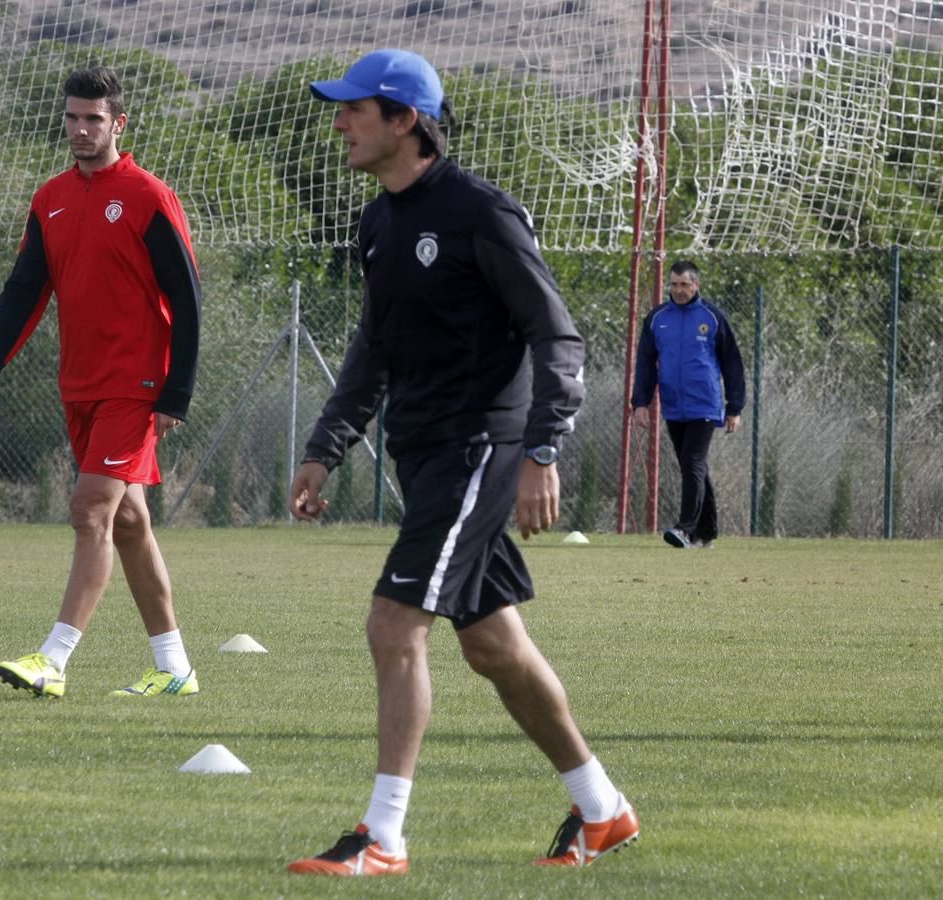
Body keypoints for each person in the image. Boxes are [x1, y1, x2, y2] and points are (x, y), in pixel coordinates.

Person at [285, 49, 638, 877]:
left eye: (354, 109)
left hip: (482, 448)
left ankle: (382, 837)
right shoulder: (378, 222)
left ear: (405, 121)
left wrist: (543, 449)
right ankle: (602, 810)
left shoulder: (480, 212)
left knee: (392, 624)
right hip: (425, 455)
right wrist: (323, 449)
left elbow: (558, 334)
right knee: (493, 648)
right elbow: (372, 350)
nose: (339, 123)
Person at [0, 66, 202, 699]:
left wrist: (175, 393)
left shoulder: (150, 195)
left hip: (138, 383)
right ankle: (175, 667)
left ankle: (54, 659)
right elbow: (26, 286)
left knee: (89, 509)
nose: (80, 128)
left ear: (117, 123)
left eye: (93, 119)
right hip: (79, 383)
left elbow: (186, 296)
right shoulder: (50, 198)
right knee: (128, 522)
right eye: (72, 117)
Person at [631, 261, 745, 549]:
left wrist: (735, 407)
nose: (678, 290)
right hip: (673, 405)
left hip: (704, 405)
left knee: (692, 462)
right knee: (694, 466)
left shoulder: (712, 317)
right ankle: (707, 532)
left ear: (697, 285)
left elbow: (733, 363)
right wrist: (640, 403)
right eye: (674, 284)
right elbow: (645, 363)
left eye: (684, 284)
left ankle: (686, 529)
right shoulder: (658, 318)